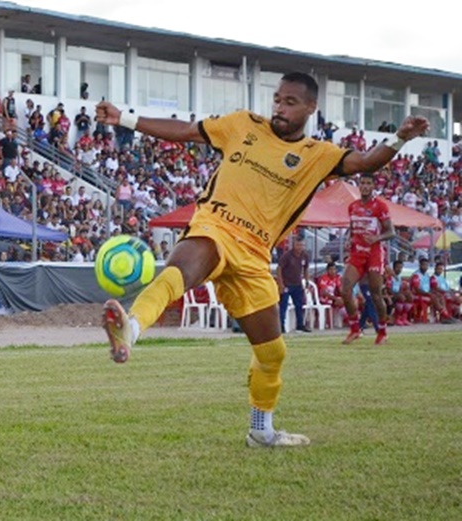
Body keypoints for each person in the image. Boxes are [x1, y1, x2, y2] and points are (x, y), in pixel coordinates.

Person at [95, 72, 429, 448]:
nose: (279, 108)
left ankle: (261, 431)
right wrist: (124, 118)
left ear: (310, 108)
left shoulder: (318, 155)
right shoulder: (242, 125)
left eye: (290, 102)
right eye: (277, 99)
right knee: (179, 272)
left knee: (272, 352)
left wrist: (401, 138)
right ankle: (131, 328)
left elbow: (368, 160)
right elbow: (187, 131)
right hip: (216, 227)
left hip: (255, 255)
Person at [339, 172, 395, 345]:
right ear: (359, 185)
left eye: (368, 183)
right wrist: (349, 239)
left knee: (375, 294)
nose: (364, 186)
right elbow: (352, 227)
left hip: (374, 254)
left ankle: (383, 332)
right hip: (357, 253)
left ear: (373, 186)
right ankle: (355, 329)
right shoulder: (353, 206)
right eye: (362, 183)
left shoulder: (380, 206)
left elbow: (391, 232)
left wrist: (376, 238)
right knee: (345, 289)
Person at [276, 237, 311, 333]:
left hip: (298, 284)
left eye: (302, 245)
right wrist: (281, 284)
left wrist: (307, 280)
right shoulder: (287, 255)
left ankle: (300, 325)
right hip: (287, 284)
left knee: (299, 305)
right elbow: (279, 269)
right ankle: (281, 326)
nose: (300, 247)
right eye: (298, 245)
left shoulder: (305, 255)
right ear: (294, 245)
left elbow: (306, 269)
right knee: (283, 305)